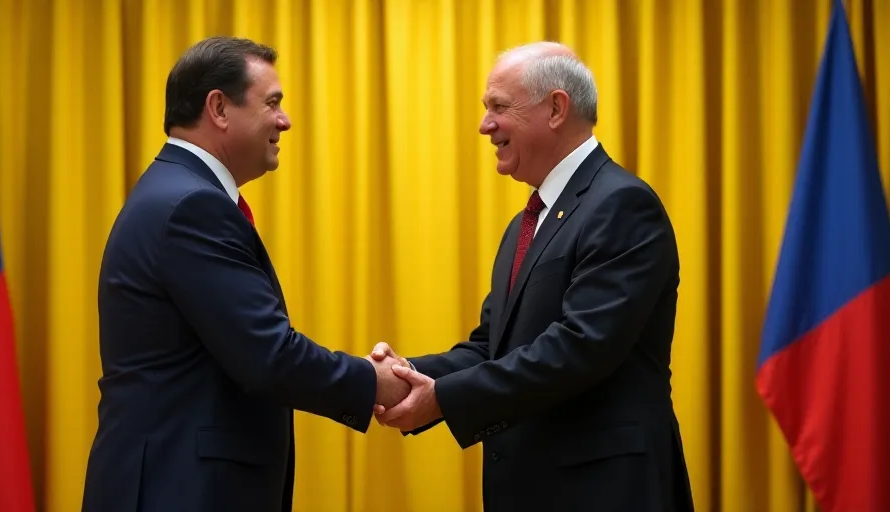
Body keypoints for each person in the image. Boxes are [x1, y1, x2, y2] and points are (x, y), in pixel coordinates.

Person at [81, 37, 410, 512]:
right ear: (218, 107)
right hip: (179, 489)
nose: (285, 119)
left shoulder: (175, 192)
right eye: (272, 102)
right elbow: (269, 356)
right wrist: (375, 382)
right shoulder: (191, 205)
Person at [370, 42, 694, 511]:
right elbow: (490, 348)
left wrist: (443, 398)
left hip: (604, 490)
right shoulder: (527, 222)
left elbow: (580, 347)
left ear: (556, 108)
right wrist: (405, 375)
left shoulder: (622, 204)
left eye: (498, 107)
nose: (484, 125)